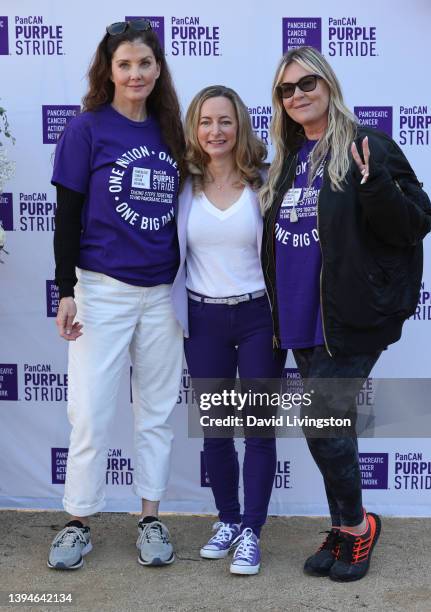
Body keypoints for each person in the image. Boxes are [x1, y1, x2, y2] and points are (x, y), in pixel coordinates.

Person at [260, 46, 431, 582]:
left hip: (351, 316)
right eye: (287, 90)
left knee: (321, 422)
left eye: (307, 83)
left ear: (328, 84)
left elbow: (415, 222)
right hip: (299, 315)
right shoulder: (288, 159)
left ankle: (358, 529)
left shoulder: (368, 146)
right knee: (330, 426)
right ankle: (343, 526)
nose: (298, 95)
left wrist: (374, 182)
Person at [48, 19, 186, 570]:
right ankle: (78, 521)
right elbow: (67, 216)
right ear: (109, 70)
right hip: (101, 290)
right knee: (90, 412)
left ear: (158, 69)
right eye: (124, 64)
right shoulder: (87, 129)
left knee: (155, 412)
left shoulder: (174, 130)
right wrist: (65, 291)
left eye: (145, 64)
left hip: (162, 295)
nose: (135, 73)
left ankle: (150, 518)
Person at [171, 85, 286, 575]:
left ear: (240, 126)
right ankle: (228, 520)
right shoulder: (181, 185)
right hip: (204, 319)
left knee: (258, 430)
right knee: (217, 431)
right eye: (205, 121)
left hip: (260, 317)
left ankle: (252, 533)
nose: (215, 131)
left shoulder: (266, 181)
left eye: (224, 121)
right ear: (194, 129)